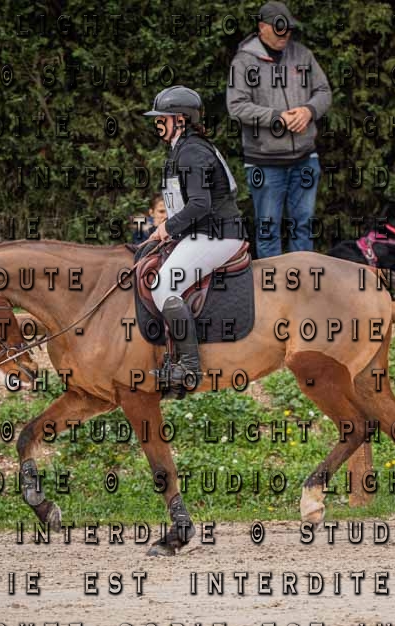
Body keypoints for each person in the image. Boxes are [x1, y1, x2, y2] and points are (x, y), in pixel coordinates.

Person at [143, 86, 245, 386]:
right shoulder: (184, 148)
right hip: (202, 232)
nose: (157, 124)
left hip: (218, 234)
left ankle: (189, 367)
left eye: (162, 118)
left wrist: (166, 228)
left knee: (163, 286)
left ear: (181, 119)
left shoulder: (192, 152)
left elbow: (200, 204)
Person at [226, 1, 332, 258]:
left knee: (303, 227)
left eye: (288, 29)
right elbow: (236, 106)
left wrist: (308, 110)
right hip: (265, 163)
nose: (285, 34)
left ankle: (304, 280)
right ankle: (271, 283)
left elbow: (323, 91)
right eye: (278, 29)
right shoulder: (243, 62)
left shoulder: (303, 55)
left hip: (305, 159)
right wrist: (277, 118)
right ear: (262, 27)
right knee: (268, 231)